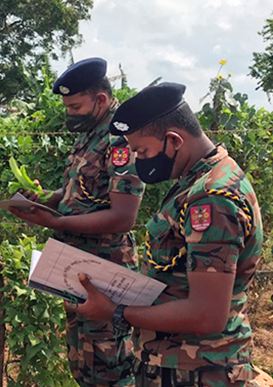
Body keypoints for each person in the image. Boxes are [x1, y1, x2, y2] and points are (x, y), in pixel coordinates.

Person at [74, 82, 263, 387]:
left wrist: (116, 312)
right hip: (179, 365)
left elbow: (207, 315)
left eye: (143, 151)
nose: (140, 160)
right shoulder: (196, 181)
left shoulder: (211, 197)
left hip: (199, 370)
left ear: (174, 140)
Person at [10, 57, 145, 387]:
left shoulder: (120, 140)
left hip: (106, 266)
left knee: (111, 365)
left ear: (100, 100)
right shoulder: (90, 134)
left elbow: (123, 216)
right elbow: (79, 190)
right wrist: (47, 201)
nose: (70, 113)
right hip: (78, 265)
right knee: (84, 362)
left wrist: (56, 222)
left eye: (75, 105)